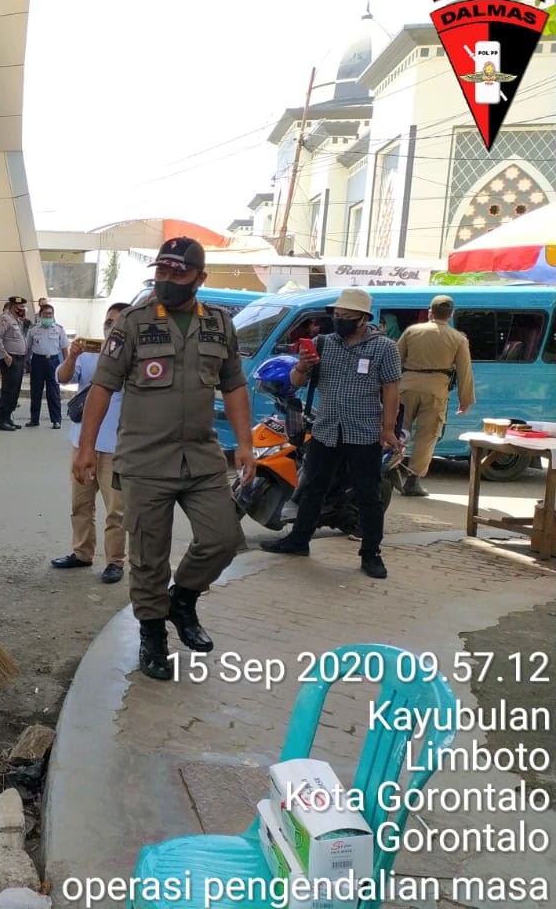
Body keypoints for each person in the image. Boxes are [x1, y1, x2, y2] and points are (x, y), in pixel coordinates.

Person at [74, 238, 254, 681]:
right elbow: (103, 387)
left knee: (223, 538)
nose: (167, 280)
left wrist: (246, 443)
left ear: (199, 278)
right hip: (143, 459)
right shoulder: (133, 323)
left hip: (202, 456)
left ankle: (183, 600)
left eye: (178, 273)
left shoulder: (219, 324)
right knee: (148, 556)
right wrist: (85, 447)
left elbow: (233, 385)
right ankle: (152, 635)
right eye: (162, 272)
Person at [261, 288, 403, 579]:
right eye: (336, 315)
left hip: (364, 432)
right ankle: (299, 541)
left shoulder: (384, 348)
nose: (339, 321)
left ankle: (371, 553)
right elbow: (295, 382)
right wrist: (302, 365)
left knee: (368, 495)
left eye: (346, 317)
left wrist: (387, 429)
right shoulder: (322, 344)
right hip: (326, 429)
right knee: (312, 488)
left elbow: (391, 390)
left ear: (363, 319)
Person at [53, 303, 130, 583]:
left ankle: (115, 562)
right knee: (80, 504)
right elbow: (62, 378)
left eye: (118, 322)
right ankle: (82, 553)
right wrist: (72, 356)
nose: (112, 327)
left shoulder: (135, 357)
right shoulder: (89, 355)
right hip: (83, 443)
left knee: (116, 510)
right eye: (108, 321)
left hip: (116, 447)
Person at [396, 294, 475, 497]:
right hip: (436, 391)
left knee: (397, 431)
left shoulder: (412, 331)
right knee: (427, 435)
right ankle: (413, 481)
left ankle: (388, 470)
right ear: (451, 314)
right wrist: (465, 400)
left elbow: (395, 359)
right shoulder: (458, 338)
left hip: (407, 386)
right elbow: (465, 371)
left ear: (430, 312)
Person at [24, 303, 68, 428]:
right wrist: (25, 363)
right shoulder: (33, 330)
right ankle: (34, 419)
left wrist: (67, 364)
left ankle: (56, 420)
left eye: (50, 314)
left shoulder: (59, 329)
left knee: (53, 391)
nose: (48, 316)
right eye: (46, 314)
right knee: (36, 391)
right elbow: (27, 348)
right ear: (40, 315)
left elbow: (65, 349)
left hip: (53, 362)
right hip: (38, 361)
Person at [0, 296, 29, 431]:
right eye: (21, 308)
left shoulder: (16, 321)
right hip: (10, 359)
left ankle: (7, 417)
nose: (23, 310)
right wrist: (4, 356)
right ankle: (0, 420)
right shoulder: (5, 319)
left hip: (19, 359)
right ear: (14, 307)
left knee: (15, 390)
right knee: (8, 390)